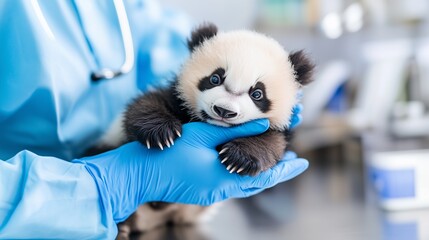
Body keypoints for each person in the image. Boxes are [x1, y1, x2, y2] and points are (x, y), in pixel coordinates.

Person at [0, 0, 308, 239]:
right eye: (216, 80)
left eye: (255, 94)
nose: (228, 105)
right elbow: (163, 93)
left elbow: (165, 46)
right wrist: (110, 184)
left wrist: (262, 150)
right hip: (34, 205)